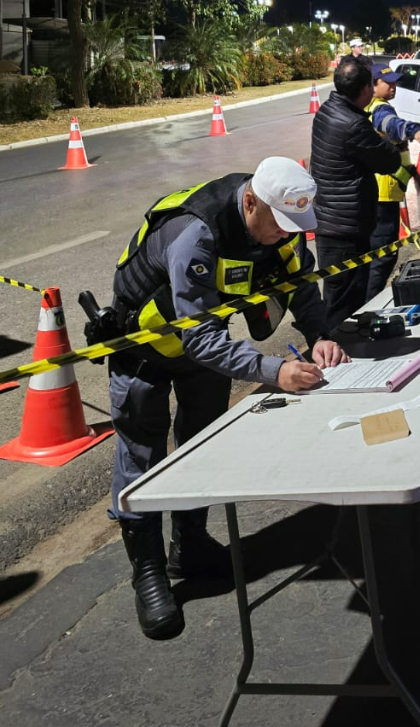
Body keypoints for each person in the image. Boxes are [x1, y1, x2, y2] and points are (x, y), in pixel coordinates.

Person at [106, 157, 350, 640]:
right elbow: (195, 336)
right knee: (142, 458)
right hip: (144, 351)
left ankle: (190, 546)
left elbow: (299, 284)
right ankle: (149, 573)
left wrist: (320, 332)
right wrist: (274, 370)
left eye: (292, 228)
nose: (285, 235)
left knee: (202, 444)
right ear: (251, 202)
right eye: (279, 226)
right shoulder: (195, 235)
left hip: (204, 352)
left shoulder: (279, 226)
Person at [310, 57, 402, 329]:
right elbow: (390, 160)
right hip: (346, 228)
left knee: (338, 297)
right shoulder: (354, 124)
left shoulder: (327, 110)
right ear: (365, 88)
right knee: (346, 305)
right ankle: (341, 358)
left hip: (331, 220)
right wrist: (385, 138)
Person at [364, 63, 420, 300]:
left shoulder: (371, 107)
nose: (394, 86)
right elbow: (393, 127)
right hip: (384, 198)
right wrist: (414, 131)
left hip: (384, 194)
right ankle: (367, 307)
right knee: (383, 258)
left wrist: (412, 173)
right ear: (372, 86)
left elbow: (393, 150)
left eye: (395, 82)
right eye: (388, 83)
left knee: (378, 258)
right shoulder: (380, 110)